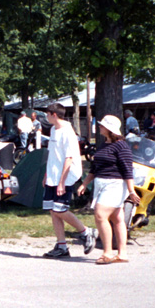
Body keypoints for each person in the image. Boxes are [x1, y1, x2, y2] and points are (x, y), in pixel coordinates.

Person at [76, 115, 139, 264]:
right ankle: (122, 254)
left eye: (102, 125)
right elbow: (94, 168)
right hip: (101, 184)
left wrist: (131, 191)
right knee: (117, 218)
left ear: (110, 129)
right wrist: (84, 184)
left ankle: (108, 252)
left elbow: (127, 170)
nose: (100, 127)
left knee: (100, 215)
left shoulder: (121, 146)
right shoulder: (104, 145)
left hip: (115, 185)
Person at [40, 104, 97, 259]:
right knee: (53, 210)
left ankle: (86, 232)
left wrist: (61, 182)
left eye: (47, 114)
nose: (46, 117)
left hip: (66, 175)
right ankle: (61, 245)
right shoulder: (53, 130)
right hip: (53, 175)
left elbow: (69, 158)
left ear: (54, 115)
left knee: (60, 209)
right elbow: (52, 155)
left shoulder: (67, 132)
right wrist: (47, 174)